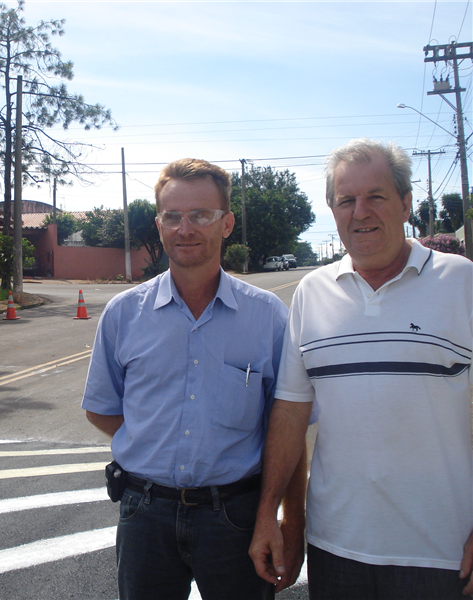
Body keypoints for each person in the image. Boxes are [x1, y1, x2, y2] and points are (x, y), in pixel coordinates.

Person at [249, 138, 473, 599]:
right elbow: (291, 414)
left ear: (406, 203)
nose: (360, 212)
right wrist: (271, 514)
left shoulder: (462, 283)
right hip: (337, 551)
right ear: (332, 210)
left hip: (442, 551)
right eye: (346, 200)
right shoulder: (311, 292)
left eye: (376, 196)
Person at [82, 158, 306, 600]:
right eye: (173, 216)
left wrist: (289, 521)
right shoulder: (124, 314)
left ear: (226, 223)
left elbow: (291, 429)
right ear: (160, 224)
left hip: (238, 518)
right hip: (144, 515)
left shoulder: (268, 318)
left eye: (201, 215)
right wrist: (153, 438)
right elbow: (101, 409)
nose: (186, 228)